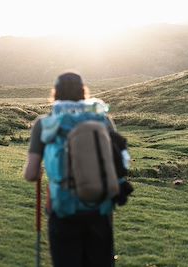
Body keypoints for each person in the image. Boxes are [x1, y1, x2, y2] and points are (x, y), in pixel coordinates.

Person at [24, 72, 131, 267]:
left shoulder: (44, 123)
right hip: (100, 207)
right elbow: (119, 162)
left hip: (63, 209)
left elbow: (31, 174)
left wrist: (40, 171)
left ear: (55, 93)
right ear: (84, 92)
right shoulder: (103, 120)